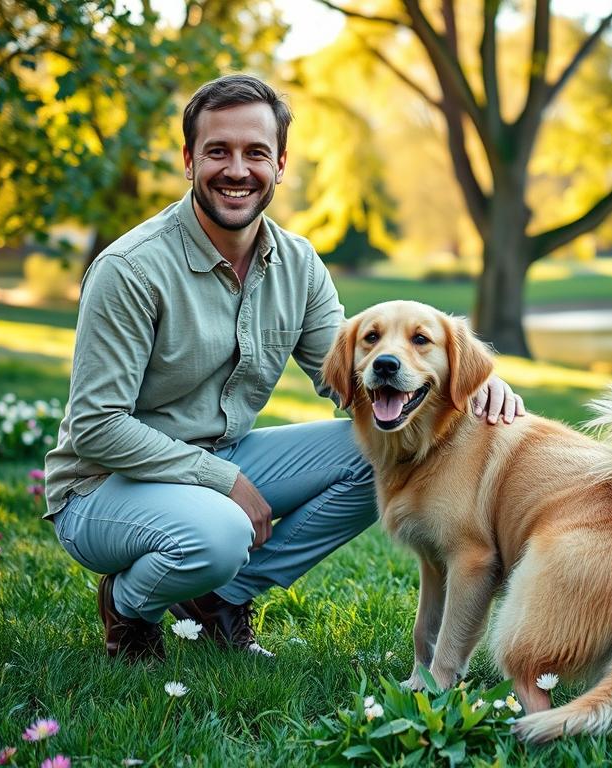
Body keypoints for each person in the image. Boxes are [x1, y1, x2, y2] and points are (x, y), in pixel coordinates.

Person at [44, 74, 524, 662]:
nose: (237, 170)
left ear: (281, 163)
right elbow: (97, 426)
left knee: (379, 447)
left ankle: (217, 597)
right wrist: (222, 481)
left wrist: (471, 376)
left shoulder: (297, 263)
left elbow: (353, 379)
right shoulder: (131, 270)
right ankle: (129, 605)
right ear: (189, 160)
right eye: (218, 151)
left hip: (221, 458)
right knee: (221, 531)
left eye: (256, 153)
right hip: (102, 488)